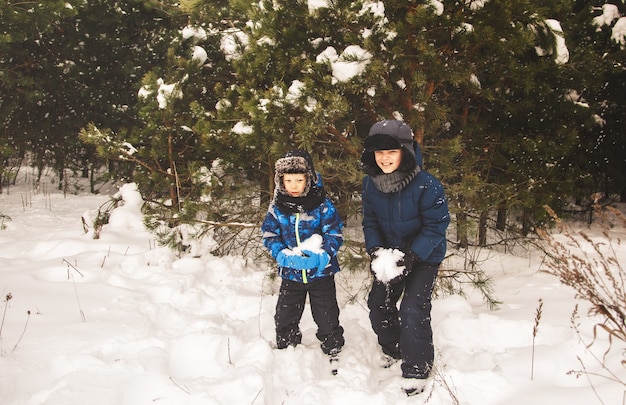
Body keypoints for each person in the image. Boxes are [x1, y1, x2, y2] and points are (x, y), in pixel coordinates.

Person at [360, 119, 450, 396]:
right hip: (389, 254)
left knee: (412, 308)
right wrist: (376, 251)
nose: (385, 159)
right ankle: (395, 348)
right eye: (379, 153)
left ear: (406, 152)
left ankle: (416, 368)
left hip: (423, 257)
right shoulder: (370, 184)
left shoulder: (427, 185)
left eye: (392, 152)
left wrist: (412, 256)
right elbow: (370, 222)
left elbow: (437, 225)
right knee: (378, 304)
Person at [261, 149, 345, 366]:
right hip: (291, 274)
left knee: (326, 314)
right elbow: (269, 234)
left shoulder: (321, 204)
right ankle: (287, 345)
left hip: (320, 274)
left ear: (309, 178)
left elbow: (334, 232)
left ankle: (332, 344)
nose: (294, 185)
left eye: (299, 179)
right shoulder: (277, 207)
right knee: (285, 315)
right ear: (281, 181)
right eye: (288, 180)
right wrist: (282, 254)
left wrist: (323, 255)